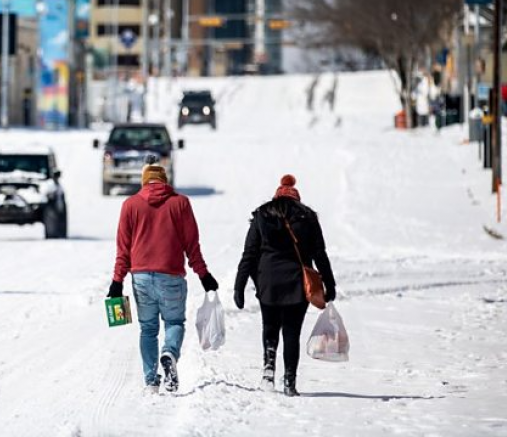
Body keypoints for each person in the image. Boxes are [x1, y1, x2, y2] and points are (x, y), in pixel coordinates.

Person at [108, 162, 218, 394]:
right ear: (164, 180)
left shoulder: (130, 205)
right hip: (171, 276)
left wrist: (117, 281)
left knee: (148, 329)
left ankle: (151, 381)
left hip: (141, 278)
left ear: (144, 181)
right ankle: (169, 353)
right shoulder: (180, 203)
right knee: (174, 323)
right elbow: (192, 246)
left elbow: (123, 250)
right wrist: (204, 275)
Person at [233, 174, 337, 397]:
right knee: (291, 332)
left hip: (267, 281)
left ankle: (268, 371)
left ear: (277, 196)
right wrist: (329, 283)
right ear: (296, 198)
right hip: (297, 283)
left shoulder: (262, 215)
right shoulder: (308, 217)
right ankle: (290, 380)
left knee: (270, 327)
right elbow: (320, 254)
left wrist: (239, 286)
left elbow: (249, 254)